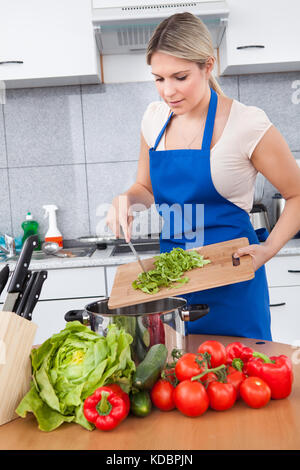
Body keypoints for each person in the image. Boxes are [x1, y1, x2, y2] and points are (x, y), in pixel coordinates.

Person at [106, 13, 300, 341]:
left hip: (234, 281)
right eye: (159, 79)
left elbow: (296, 194)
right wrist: (128, 199)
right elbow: (145, 187)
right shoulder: (153, 120)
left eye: (180, 77)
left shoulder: (247, 124)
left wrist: (267, 250)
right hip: (173, 283)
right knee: (178, 381)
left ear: (208, 65)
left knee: (241, 380)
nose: (168, 91)